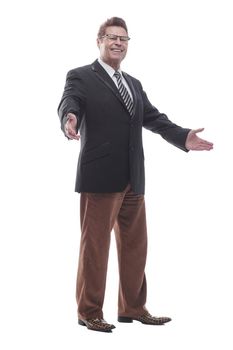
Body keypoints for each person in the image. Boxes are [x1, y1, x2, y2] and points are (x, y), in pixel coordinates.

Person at [57, 17, 213, 333]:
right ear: (99, 40)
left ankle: (133, 308)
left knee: (135, 245)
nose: (118, 43)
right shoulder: (81, 76)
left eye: (124, 39)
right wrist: (69, 119)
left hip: (133, 176)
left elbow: (153, 118)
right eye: (112, 37)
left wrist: (183, 137)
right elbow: (69, 102)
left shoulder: (133, 83)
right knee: (95, 246)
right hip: (100, 175)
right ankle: (89, 311)